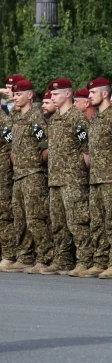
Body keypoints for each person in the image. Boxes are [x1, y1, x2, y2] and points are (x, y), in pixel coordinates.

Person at [39, 79, 91, 276]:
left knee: (77, 222)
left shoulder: (77, 119)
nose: (52, 97)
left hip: (73, 179)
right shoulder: (53, 120)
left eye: (56, 93)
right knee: (58, 222)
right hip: (56, 179)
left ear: (67, 94)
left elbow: (87, 150)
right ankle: (62, 260)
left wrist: (80, 172)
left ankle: (85, 261)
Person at [4, 80, 51, 273]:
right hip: (19, 175)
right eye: (14, 94)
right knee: (20, 218)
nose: (15, 97)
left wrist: (37, 163)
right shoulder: (16, 118)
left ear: (30, 95)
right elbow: (11, 143)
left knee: (36, 218)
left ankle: (45, 257)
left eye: (19, 94)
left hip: (33, 175)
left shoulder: (36, 117)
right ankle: (24, 256)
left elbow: (45, 146)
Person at [83, 78, 112, 279]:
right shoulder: (96, 119)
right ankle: (101, 260)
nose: (90, 96)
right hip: (96, 178)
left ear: (105, 94)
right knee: (97, 222)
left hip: (111, 178)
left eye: (93, 92)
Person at [0, 96, 14, 270]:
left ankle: (8, 253)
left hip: (2, 172)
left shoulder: (3, 120)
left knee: (4, 213)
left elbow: (12, 145)